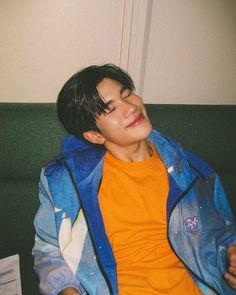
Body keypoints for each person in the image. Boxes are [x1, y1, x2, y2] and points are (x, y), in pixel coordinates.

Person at [32, 64, 236, 295]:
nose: (130, 108)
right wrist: (66, 290)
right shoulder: (66, 182)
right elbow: (48, 249)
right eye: (111, 109)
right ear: (95, 135)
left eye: (126, 94)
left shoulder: (190, 171)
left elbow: (223, 231)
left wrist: (230, 253)